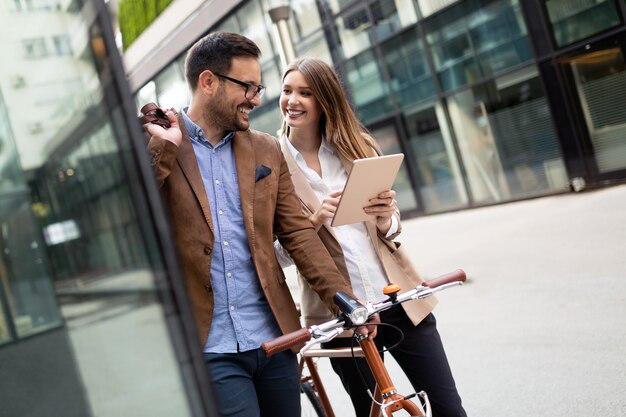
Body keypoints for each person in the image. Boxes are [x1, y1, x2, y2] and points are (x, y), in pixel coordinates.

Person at [141, 33, 375, 417]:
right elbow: (136, 219)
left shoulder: (266, 149)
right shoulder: (163, 140)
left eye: (259, 86)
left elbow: (298, 233)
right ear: (208, 82)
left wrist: (342, 297)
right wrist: (164, 147)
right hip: (209, 346)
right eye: (247, 86)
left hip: (274, 340)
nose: (257, 97)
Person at [274, 57, 467, 417]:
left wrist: (383, 218)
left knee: (448, 409)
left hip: (398, 301)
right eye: (287, 91)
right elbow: (275, 256)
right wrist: (314, 220)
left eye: (305, 92)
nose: (292, 100)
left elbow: (392, 232)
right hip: (343, 316)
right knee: (372, 412)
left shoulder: (357, 146)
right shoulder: (271, 164)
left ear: (325, 100)